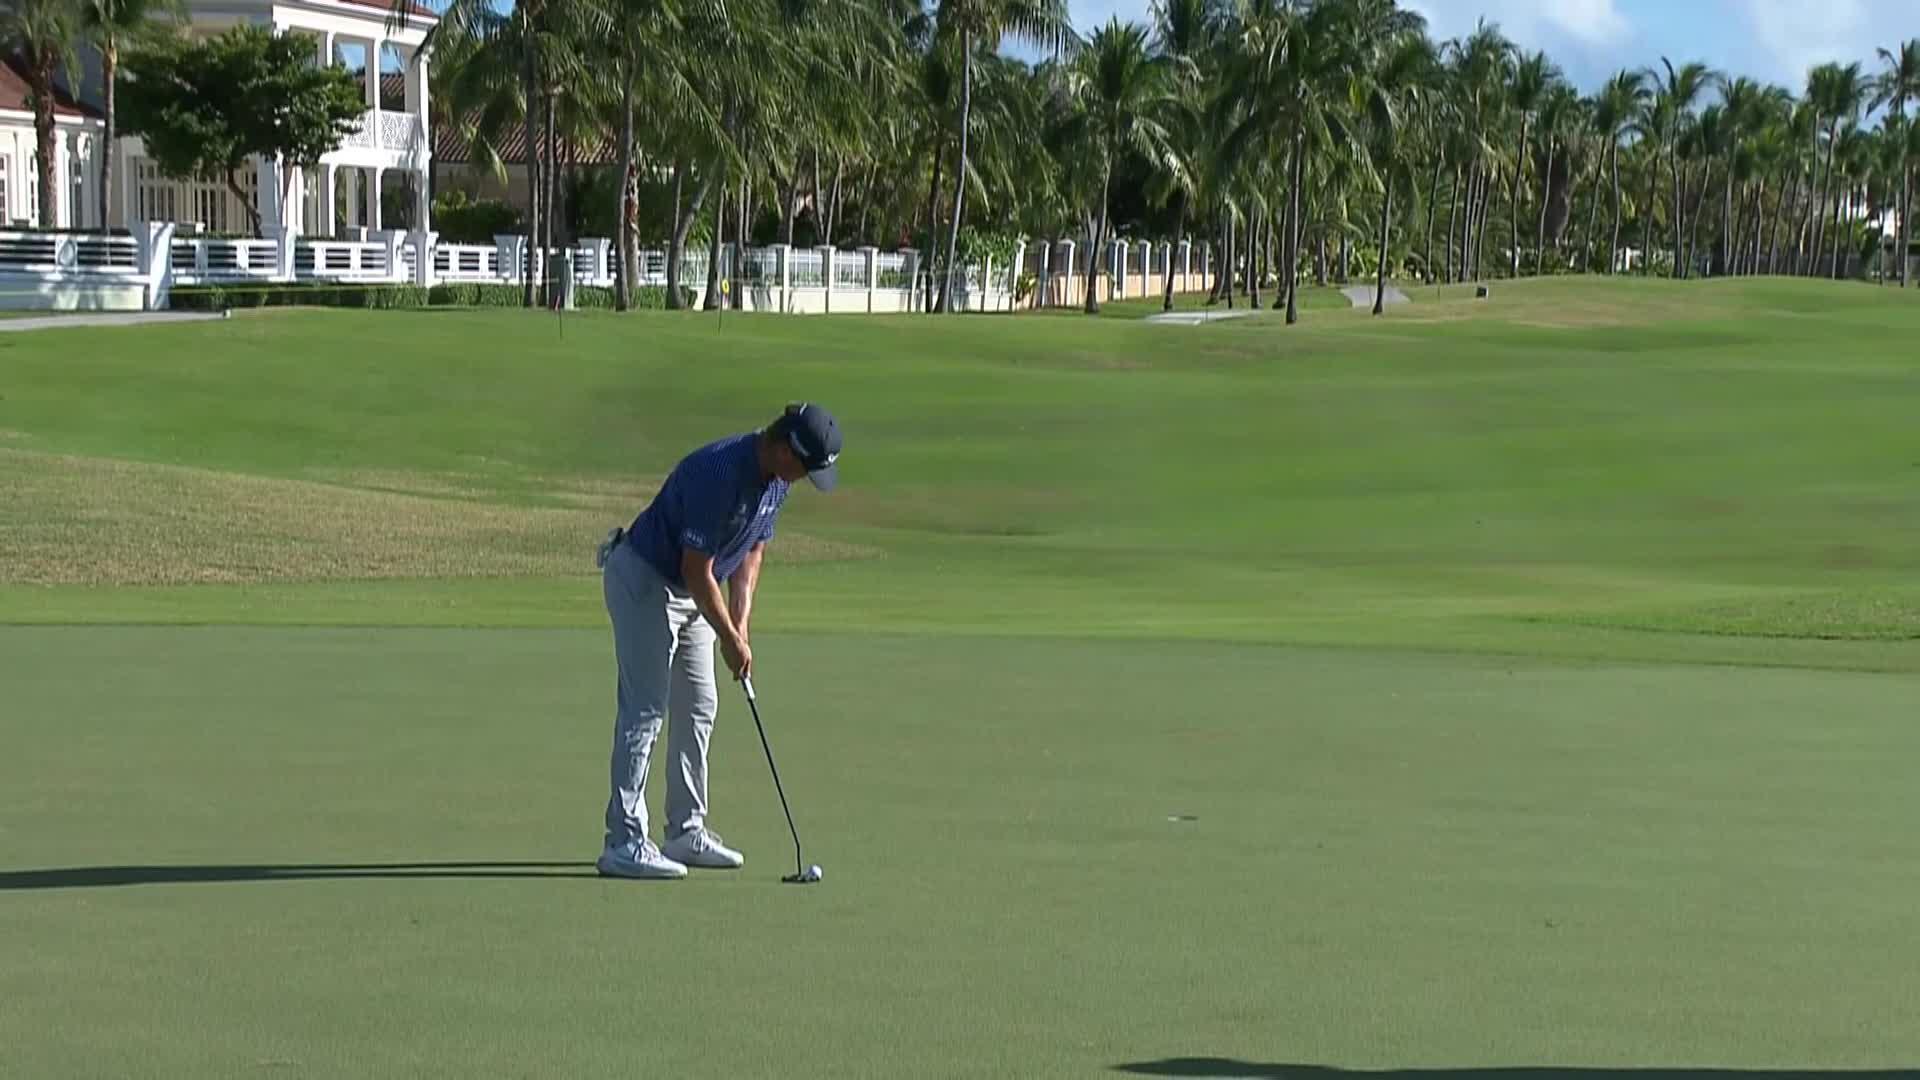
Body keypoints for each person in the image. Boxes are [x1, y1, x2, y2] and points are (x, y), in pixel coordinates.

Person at [593, 403, 843, 879]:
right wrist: (727, 635)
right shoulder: (720, 472)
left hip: (693, 593)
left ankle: (684, 831)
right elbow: (695, 567)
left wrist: (741, 623)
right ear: (785, 447)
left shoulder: (777, 482)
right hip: (648, 581)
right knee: (646, 709)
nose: (803, 479)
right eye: (804, 467)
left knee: (700, 704)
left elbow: (753, 547)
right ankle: (623, 842)